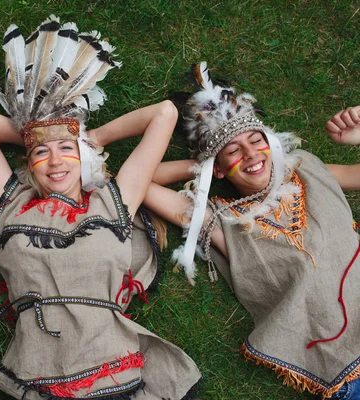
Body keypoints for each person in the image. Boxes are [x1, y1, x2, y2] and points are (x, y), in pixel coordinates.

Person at [0, 15, 200, 400]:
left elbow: (164, 114)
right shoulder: (11, 203)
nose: (56, 160)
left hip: (111, 374)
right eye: (41, 153)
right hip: (35, 375)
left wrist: (89, 136)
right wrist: (40, 129)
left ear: (84, 159)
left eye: (65, 151)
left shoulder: (113, 200)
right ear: (29, 163)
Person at [144, 62, 360, 399]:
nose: (249, 155)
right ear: (219, 168)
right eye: (232, 151)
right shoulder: (218, 219)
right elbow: (136, 181)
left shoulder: (307, 170)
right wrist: (203, 164)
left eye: (255, 140)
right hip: (345, 366)